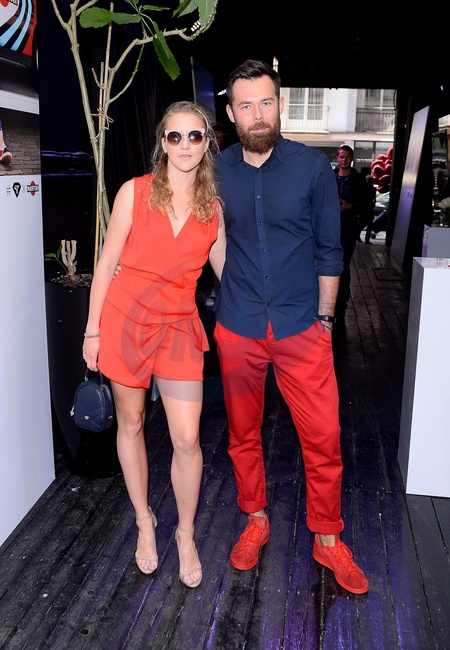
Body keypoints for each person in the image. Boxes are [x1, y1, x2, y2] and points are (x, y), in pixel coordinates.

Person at [213, 60, 368, 594]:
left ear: (279, 105)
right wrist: (235, 287)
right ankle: (255, 519)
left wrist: (325, 319)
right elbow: (212, 241)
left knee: (323, 437)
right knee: (243, 434)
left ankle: (327, 538)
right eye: (246, 105)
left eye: (266, 102)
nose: (258, 114)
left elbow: (330, 250)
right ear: (231, 113)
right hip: (239, 326)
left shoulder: (312, 168)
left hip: (303, 325)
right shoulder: (216, 171)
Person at [83, 100, 226, 588]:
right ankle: (145, 521)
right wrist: (92, 330)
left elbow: (231, 275)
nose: (184, 145)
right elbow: (106, 264)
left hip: (180, 326)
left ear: (207, 143)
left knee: (187, 438)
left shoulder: (213, 209)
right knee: (132, 423)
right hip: (125, 321)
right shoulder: (135, 191)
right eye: (174, 136)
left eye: (194, 136)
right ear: (162, 142)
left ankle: (185, 533)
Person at [333, 145, 371, 319]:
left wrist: (350, 207)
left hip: (348, 228)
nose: (344, 160)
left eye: (347, 156)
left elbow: (367, 205)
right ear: (337, 158)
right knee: (328, 263)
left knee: (343, 264)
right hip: (329, 228)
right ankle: (328, 298)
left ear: (352, 159)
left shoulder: (358, 180)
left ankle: (341, 301)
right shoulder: (330, 177)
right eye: (341, 156)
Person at [363, 174, 376, 244]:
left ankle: (362, 238)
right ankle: (366, 239)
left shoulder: (364, 189)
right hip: (368, 208)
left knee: (363, 224)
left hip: (365, 208)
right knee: (368, 224)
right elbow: (373, 198)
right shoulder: (372, 189)